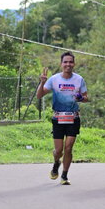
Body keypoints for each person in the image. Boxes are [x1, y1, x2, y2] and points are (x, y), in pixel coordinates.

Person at [37, 51, 88, 185]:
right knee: (58, 150)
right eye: (65, 62)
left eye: (70, 62)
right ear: (61, 64)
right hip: (58, 118)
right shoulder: (54, 79)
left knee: (69, 147)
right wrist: (42, 83)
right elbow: (39, 95)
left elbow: (86, 97)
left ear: (74, 64)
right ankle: (56, 163)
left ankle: (64, 175)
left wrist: (80, 98)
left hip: (73, 118)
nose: (68, 64)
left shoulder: (79, 79)